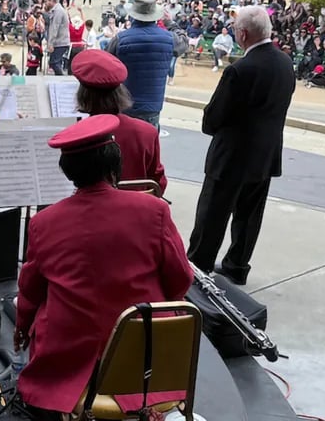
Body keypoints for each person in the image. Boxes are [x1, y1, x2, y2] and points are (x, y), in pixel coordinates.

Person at [15, 115, 193, 420]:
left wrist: (21, 326)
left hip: (69, 362)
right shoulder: (155, 210)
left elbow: (30, 293)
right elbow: (181, 279)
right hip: (146, 356)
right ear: (115, 164)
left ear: (68, 172)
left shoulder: (44, 223)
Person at [188, 6, 296, 286]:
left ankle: (199, 266)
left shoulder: (240, 70)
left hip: (232, 157)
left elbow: (214, 117)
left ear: (243, 34)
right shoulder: (286, 64)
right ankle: (237, 265)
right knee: (249, 216)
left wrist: (210, 124)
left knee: (213, 214)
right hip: (265, 155)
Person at [70, 50, 167, 191]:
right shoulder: (147, 132)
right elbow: (159, 183)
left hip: (91, 211)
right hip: (137, 210)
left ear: (83, 95)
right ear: (120, 93)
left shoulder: (78, 134)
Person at [109, 0, 173, 129]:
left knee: (123, 146)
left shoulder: (121, 39)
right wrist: (170, 23)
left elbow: (106, 64)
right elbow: (184, 43)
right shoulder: (169, 38)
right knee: (149, 147)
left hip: (125, 103)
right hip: (152, 106)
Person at [43, 0, 70, 75]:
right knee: (54, 63)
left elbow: (55, 28)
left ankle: (61, 78)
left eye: (46, 1)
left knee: (54, 63)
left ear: (52, 0)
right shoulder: (56, 10)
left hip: (60, 42)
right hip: (59, 42)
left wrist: (50, 44)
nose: (46, 3)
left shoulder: (58, 11)